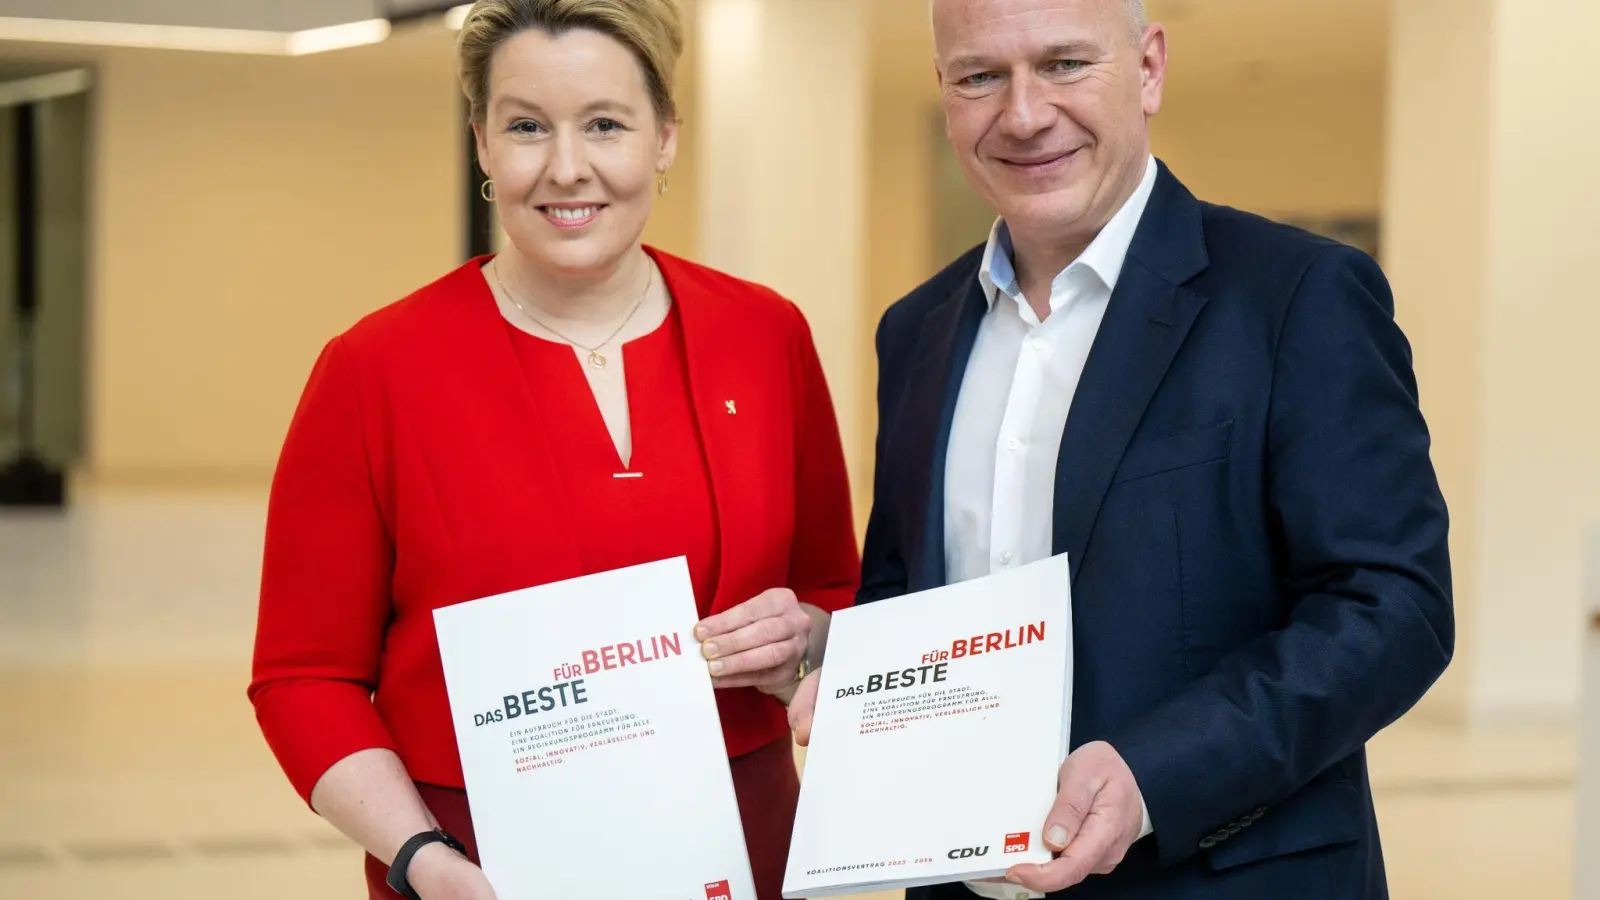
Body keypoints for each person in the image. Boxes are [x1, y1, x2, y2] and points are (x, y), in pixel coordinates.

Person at [788, 0, 1452, 898]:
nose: (1022, 115)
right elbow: (909, 592)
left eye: (1065, 64)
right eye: (980, 76)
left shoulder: (1298, 295)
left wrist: (1152, 775)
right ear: (944, 93)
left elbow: (1392, 608)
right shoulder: (915, 333)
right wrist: (851, 672)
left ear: (1148, 69)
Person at [246, 2, 859, 898]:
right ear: (483, 144)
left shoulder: (765, 336)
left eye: (606, 124)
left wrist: (807, 639)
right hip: (478, 869)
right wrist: (423, 861)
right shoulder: (373, 371)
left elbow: (832, 592)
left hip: (747, 849)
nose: (567, 169)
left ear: (665, 138)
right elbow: (304, 677)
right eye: (527, 126)